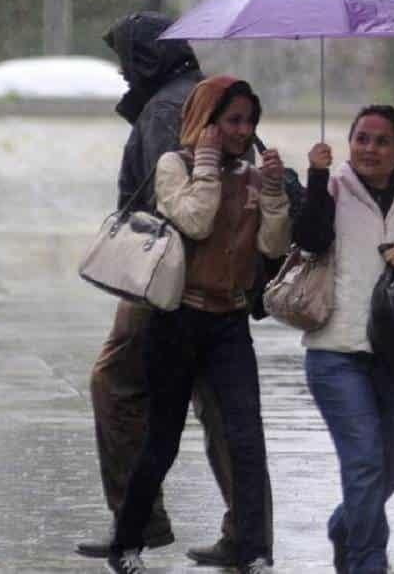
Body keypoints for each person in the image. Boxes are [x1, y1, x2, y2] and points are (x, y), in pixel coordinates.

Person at [77, 13, 272, 568]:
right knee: (226, 418)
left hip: (171, 284)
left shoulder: (168, 108)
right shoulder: (196, 94)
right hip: (206, 288)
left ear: (142, 59)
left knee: (120, 387)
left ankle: (139, 522)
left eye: (124, 59)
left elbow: (182, 210)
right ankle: (247, 536)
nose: (120, 73)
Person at [106, 75, 290, 574]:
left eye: (250, 121)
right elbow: (195, 222)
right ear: (205, 121)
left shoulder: (253, 178)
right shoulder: (175, 165)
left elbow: (273, 247)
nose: (243, 130)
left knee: (246, 439)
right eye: (232, 120)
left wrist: (272, 191)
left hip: (229, 324)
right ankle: (126, 544)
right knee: (161, 440)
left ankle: (255, 551)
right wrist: (207, 165)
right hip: (177, 319)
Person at [293, 105, 394, 574]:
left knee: (393, 463)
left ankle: (346, 525)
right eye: (362, 138)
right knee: (364, 463)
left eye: (382, 141)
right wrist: (316, 174)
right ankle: (368, 563)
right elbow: (308, 239)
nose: (370, 149)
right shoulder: (329, 188)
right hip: (336, 352)